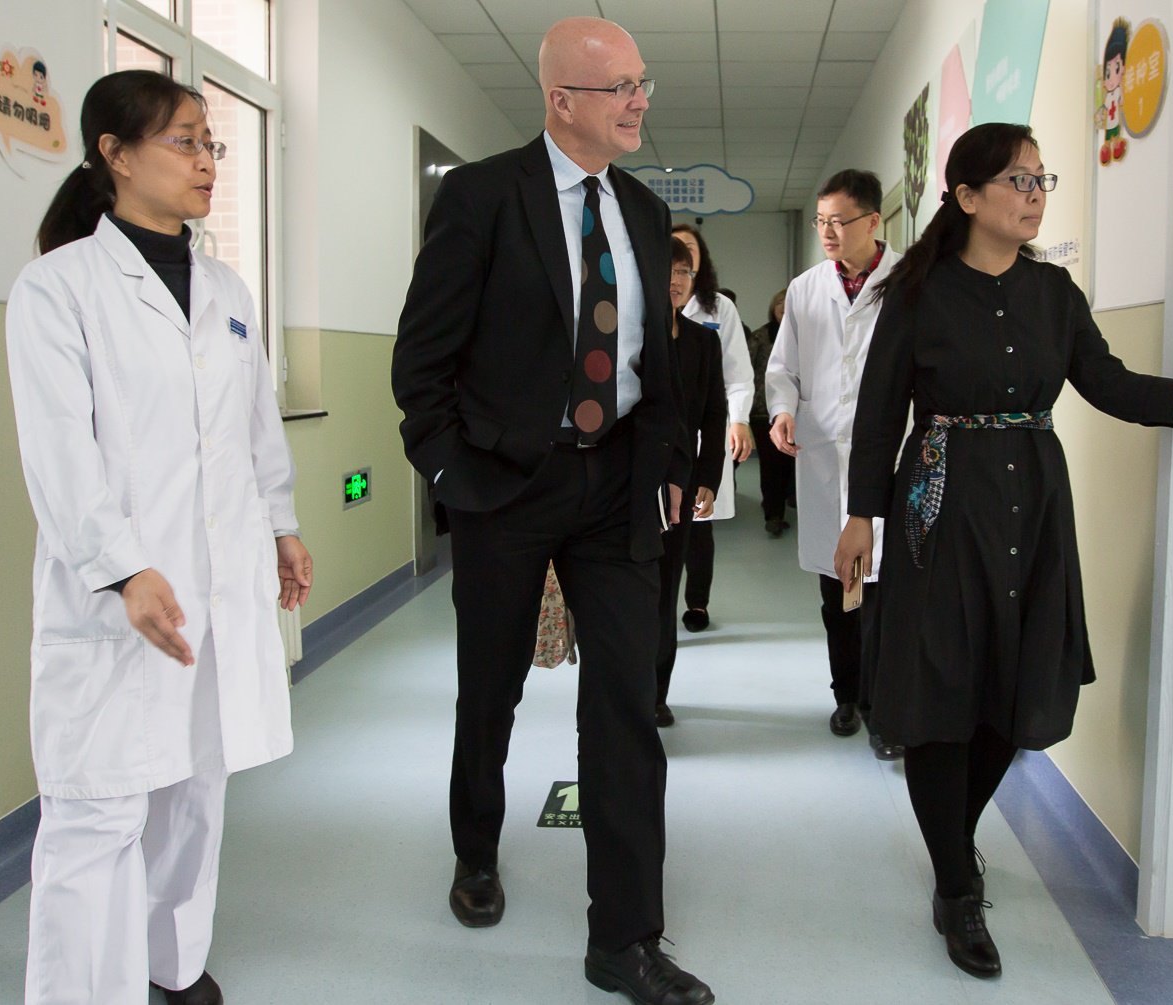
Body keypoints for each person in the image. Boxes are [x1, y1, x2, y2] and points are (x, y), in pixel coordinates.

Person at [834, 122, 1173, 980]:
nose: (1034, 194)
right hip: (940, 508)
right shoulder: (916, 294)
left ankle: (952, 847)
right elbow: (879, 416)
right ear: (966, 197)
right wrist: (858, 518)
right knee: (943, 688)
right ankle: (956, 886)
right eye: (1018, 181)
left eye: (1040, 179)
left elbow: (1110, 385)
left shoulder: (1054, 293)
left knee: (1014, 687)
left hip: (1032, 503)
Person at [390, 17, 714, 1005]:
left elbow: (653, 363)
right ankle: (476, 852)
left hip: (614, 491)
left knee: (623, 706)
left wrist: (660, 464)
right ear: (560, 100)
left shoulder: (648, 215)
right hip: (506, 487)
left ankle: (624, 939)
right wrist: (456, 480)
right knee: (490, 691)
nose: (638, 102)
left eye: (642, 83)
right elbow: (422, 363)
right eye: (616, 86)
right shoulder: (485, 197)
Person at [6, 70, 313, 1005]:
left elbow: (253, 424)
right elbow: (60, 452)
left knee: (195, 787)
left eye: (210, 143)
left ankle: (171, 969)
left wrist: (281, 525)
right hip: (115, 600)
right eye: (185, 141)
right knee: (96, 812)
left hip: (214, 589)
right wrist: (123, 570)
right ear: (114, 153)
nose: (206, 161)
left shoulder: (224, 286)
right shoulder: (57, 287)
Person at [766, 169, 901, 744]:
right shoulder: (804, 289)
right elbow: (783, 368)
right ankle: (847, 696)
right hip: (823, 456)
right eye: (821, 221)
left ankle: (885, 706)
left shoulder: (909, 283)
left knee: (886, 593)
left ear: (873, 222)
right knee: (836, 591)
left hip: (888, 455)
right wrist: (782, 409)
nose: (827, 231)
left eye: (838, 221)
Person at [656, 238, 727, 728]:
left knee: (664, 594)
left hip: (678, 489)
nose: (676, 281)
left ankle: (656, 695)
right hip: (624, 486)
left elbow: (714, 415)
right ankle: (622, 692)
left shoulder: (704, 341)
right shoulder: (627, 335)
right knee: (625, 597)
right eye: (667, 271)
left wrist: (709, 477)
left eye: (684, 272)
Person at [670, 224, 754, 633]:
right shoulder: (648, 305)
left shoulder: (719, 308)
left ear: (698, 261)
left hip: (707, 428)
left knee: (699, 524)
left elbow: (738, 372)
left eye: (688, 253)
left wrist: (740, 419)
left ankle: (697, 604)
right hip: (663, 435)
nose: (680, 266)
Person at [747, 288, 795, 537]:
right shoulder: (759, 336)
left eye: (788, 302)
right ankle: (773, 515)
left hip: (794, 411)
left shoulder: (802, 336)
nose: (784, 307)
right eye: (779, 302)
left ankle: (782, 505)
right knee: (771, 464)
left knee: (787, 463)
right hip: (762, 412)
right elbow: (745, 371)